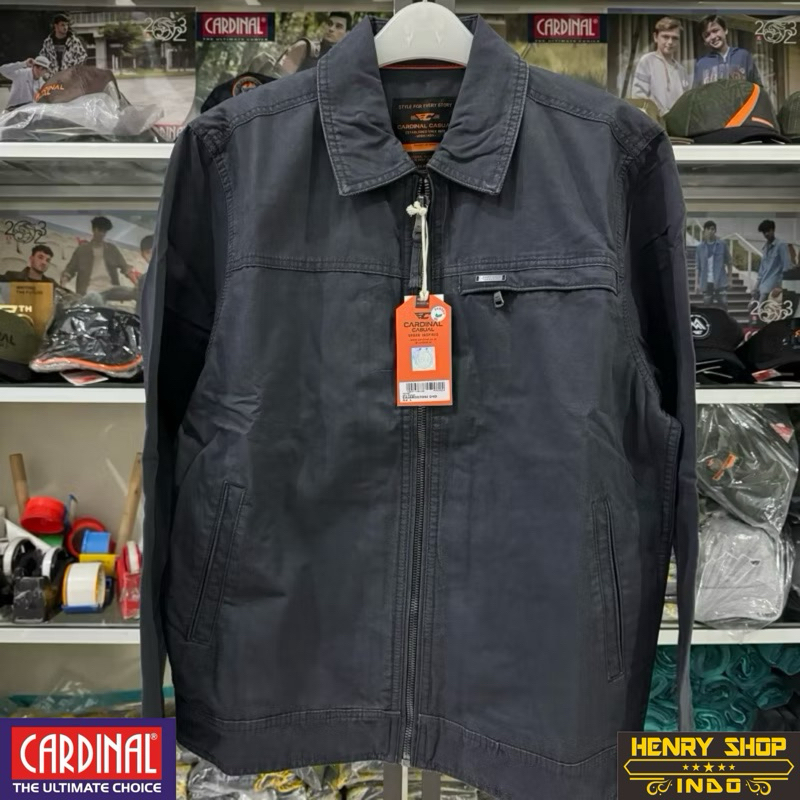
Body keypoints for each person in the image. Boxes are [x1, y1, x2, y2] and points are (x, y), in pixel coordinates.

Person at [60, 216, 135, 296]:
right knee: (95, 299)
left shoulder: (112, 249)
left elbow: (125, 268)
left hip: (110, 290)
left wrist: (136, 283)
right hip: (88, 292)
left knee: (133, 293)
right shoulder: (81, 250)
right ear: (93, 230)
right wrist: (63, 284)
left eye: (104, 231)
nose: (102, 234)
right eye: (99, 230)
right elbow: (70, 270)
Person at [630, 17, 689, 114]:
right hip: (653, 119)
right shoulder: (647, 61)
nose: (670, 42)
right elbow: (639, 97)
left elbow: (685, 102)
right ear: (655, 37)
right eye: (665, 37)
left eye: (675, 38)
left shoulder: (681, 70)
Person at [694, 15, 761, 87]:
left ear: (725, 30)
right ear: (704, 41)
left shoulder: (743, 56)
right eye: (707, 35)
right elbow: (697, 92)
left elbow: (757, 87)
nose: (713, 37)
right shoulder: (702, 64)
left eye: (715, 31)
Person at [277, 12, 352, 75]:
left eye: (338, 26)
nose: (331, 29)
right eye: (329, 24)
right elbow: (279, 78)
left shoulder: (345, 63)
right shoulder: (305, 48)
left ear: (347, 34)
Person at [695, 221, 732, 309]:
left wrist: (730, 280)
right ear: (704, 231)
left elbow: (729, 262)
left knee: (723, 305)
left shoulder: (722, 245)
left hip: (720, 281)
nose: (710, 231)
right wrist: (696, 283)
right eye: (708, 229)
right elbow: (697, 267)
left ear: (715, 231)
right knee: (707, 306)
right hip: (706, 281)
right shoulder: (700, 248)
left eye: (712, 229)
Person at [754, 220, 791, 302]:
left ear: (773, 230)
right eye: (764, 232)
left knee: (764, 308)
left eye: (768, 231)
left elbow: (786, 267)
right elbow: (762, 270)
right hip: (762, 287)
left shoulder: (781, 245)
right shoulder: (765, 248)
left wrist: (780, 286)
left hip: (773, 288)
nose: (766, 234)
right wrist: (756, 287)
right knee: (753, 308)